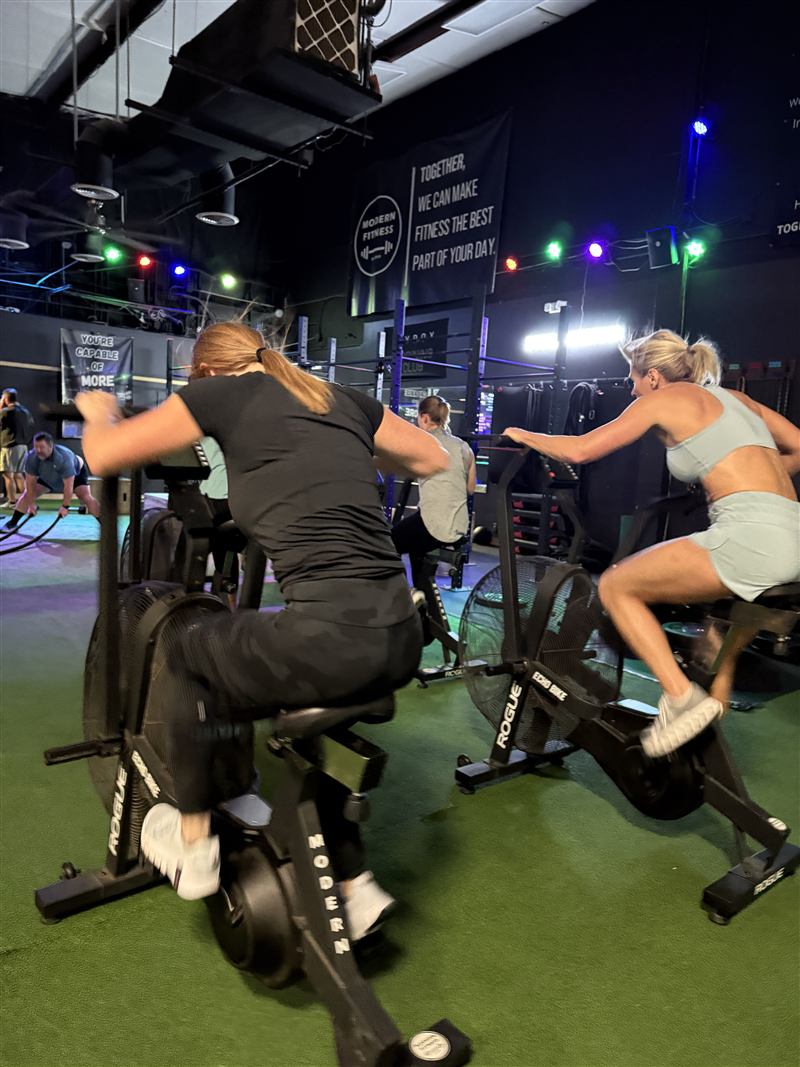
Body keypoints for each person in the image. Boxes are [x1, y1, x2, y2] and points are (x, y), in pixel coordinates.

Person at [75, 321, 449, 937]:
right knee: (321, 700)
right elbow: (432, 457)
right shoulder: (336, 398)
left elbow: (103, 455)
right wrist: (345, 444)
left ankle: (192, 839)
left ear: (208, 372)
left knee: (187, 648)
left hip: (333, 638)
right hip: (403, 638)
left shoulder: (220, 395)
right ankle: (352, 884)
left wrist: (98, 410)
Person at [502, 329, 800, 758]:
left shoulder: (662, 399)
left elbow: (583, 450)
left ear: (655, 377)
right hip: (791, 534)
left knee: (616, 585)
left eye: (633, 377)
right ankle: (717, 693)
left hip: (752, 537)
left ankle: (682, 698)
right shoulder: (739, 400)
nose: (631, 386)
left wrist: (522, 434)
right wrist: (744, 484)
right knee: (734, 600)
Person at [391, 395, 476, 599]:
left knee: (386, 544)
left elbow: (397, 462)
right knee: (415, 548)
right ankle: (423, 600)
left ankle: (403, 596)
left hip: (434, 526)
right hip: (458, 528)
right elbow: (471, 489)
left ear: (425, 418)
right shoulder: (464, 447)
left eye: (418, 420)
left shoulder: (423, 443)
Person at [3, 432, 100, 529]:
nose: (38, 450)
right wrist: (31, 503)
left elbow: (68, 486)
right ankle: (12, 523)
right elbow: (30, 483)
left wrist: (65, 506)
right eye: (36, 447)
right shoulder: (31, 457)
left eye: (41, 447)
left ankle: (107, 526)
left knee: (86, 497)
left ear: (51, 447)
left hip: (76, 474)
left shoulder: (64, 458)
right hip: (48, 476)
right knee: (26, 496)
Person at [0, 388, 33, 508]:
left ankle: (12, 501)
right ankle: (27, 502)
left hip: (10, 446)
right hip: (23, 446)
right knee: (19, 475)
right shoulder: (25, 411)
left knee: (8, 475)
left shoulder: (5, 411)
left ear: (6, 399)